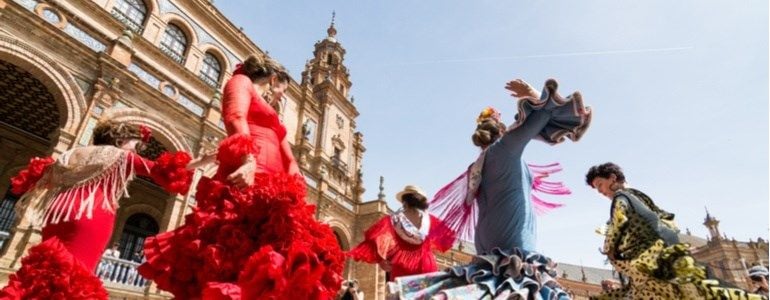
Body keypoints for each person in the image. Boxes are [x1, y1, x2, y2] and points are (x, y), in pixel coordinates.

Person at [138, 54, 345, 299]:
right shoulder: (241, 82)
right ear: (273, 79)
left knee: (274, 259)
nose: (280, 96)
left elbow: (288, 155)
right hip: (248, 177)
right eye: (282, 90)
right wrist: (248, 160)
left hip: (275, 186)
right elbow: (235, 117)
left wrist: (295, 189)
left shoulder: (271, 112)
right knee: (235, 252)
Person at [388, 78, 591, 299]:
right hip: (513, 244)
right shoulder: (505, 148)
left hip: (488, 245)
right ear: (503, 131)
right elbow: (544, 115)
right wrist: (532, 94)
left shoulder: (478, 165)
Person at [0, 119, 203, 300]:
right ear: (121, 140)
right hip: (90, 214)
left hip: (57, 212)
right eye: (134, 144)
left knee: (44, 272)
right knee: (76, 277)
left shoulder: (72, 154)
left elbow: (40, 176)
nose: (135, 149)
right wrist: (209, 159)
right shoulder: (121, 156)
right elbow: (168, 170)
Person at [586, 162, 767, 300]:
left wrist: (609, 247)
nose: (600, 191)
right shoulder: (639, 195)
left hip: (649, 269)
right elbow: (668, 222)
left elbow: (618, 222)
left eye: (600, 185)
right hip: (665, 263)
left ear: (612, 178)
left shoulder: (621, 198)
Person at [348, 185, 454, 279]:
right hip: (427, 266)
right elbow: (447, 237)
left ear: (404, 202)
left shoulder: (393, 220)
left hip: (402, 269)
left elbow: (373, 240)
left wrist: (381, 260)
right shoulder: (430, 220)